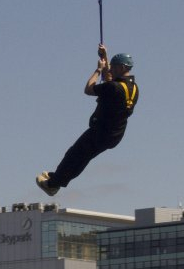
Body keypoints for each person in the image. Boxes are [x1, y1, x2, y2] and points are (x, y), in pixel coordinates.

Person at [36, 44, 139, 196]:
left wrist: (98, 70)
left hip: (101, 132)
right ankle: (55, 180)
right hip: (114, 135)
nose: (111, 69)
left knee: (75, 155)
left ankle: (53, 184)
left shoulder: (114, 88)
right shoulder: (133, 88)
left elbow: (89, 89)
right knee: (81, 157)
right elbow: (110, 79)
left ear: (123, 67)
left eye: (115, 67)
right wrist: (105, 57)